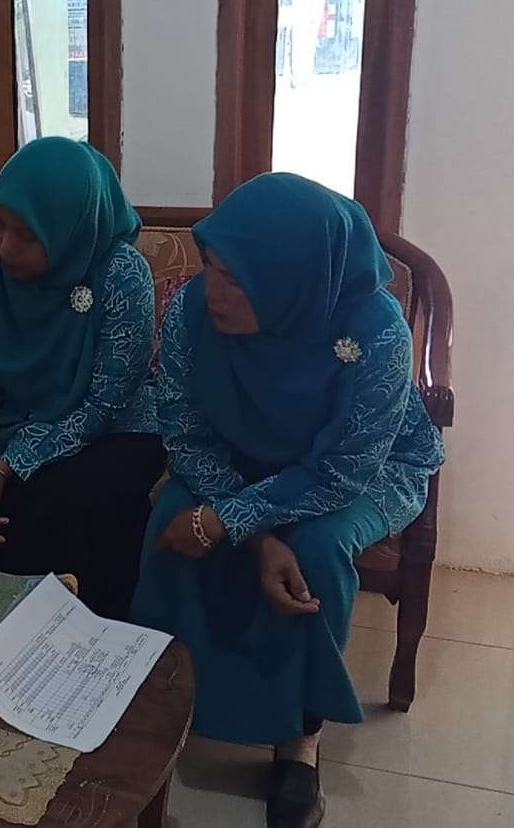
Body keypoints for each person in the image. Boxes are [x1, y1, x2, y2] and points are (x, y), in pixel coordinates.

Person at [130, 173, 445, 828]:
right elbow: (183, 427)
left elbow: (342, 470)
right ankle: (163, 705)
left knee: (318, 547)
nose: (213, 291)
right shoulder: (191, 308)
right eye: (211, 267)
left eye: (237, 278)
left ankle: (298, 740)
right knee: (169, 520)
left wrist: (224, 519)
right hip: (233, 455)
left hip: (366, 467)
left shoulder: (376, 330)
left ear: (292, 279)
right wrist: (248, 529)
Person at [0, 137, 165, 619]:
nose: (5, 246)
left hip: (106, 426)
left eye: (28, 235)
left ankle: (65, 637)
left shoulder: (121, 274)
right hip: (0, 409)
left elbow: (106, 402)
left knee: (64, 497)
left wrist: (9, 465)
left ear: (68, 230)